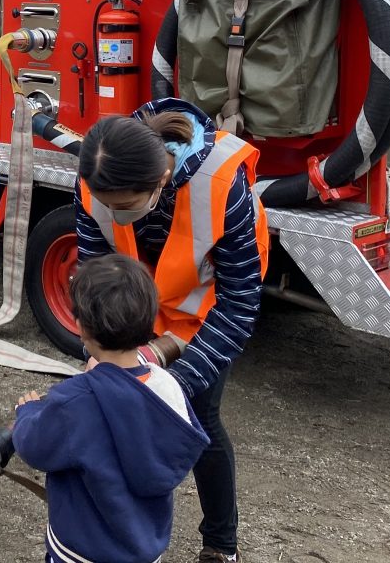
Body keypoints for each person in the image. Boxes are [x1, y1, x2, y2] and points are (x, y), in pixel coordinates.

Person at [76, 98, 269, 563]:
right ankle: (120, 537)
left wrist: (171, 383)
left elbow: (240, 301)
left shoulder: (222, 184)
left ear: (161, 180)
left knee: (200, 419)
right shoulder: (96, 179)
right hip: (133, 317)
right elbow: (94, 275)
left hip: (204, 316)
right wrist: (101, 348)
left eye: (124, 206)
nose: (113, 214)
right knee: (117, 420)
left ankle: (220, 545)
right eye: (106, 205)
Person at [13, 254, 209, 563]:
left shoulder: (75, 401)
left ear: (81, 327)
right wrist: (105, 374)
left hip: (81, 552)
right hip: (144, 549)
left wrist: (27, 412)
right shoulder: (166, 386)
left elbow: (34, 447)